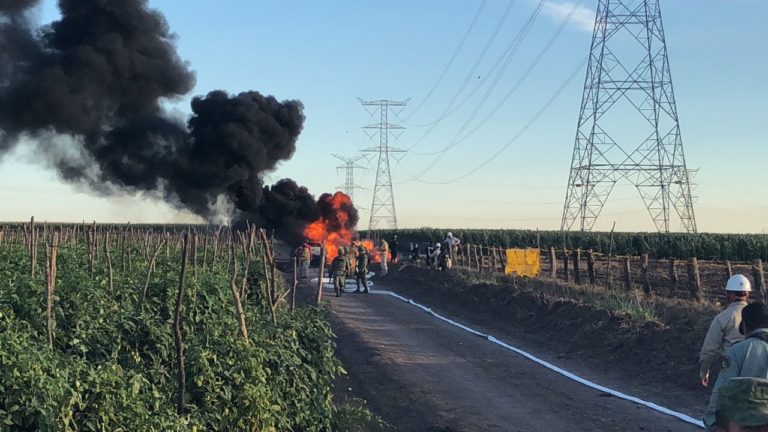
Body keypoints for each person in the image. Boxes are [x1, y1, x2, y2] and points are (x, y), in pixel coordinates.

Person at [704, 302, 768, 430]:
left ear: (744, 327)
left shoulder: (738, 350)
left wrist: (711, 421)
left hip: (744, 424)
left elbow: (722, 389)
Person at [700, 274, 752, 387]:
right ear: (747, 293)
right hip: (755, 367)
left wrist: (704, 370)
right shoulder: (757, 316)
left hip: (731, 368)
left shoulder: (722, 318)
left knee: (718, 402)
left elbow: (709, 349)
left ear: (730, 295)